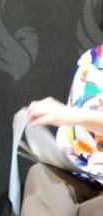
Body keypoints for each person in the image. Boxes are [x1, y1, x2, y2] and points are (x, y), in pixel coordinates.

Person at [20, 45, 103, 215]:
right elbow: (75, 134)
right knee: (42, 176)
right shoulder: (92, 59)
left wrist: (72, 115)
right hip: (84, 174)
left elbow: (75, 115)